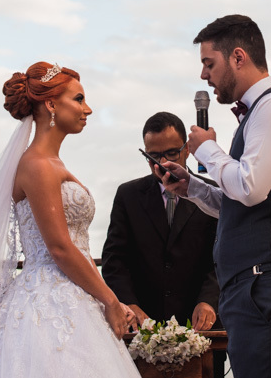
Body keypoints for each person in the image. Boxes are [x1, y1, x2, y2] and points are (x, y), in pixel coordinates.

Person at [0, 62, 141, 378]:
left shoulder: (52, 162)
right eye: (79, 99)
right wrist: (111, 300)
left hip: (75, 295)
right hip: (47, 304)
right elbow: (59, 247)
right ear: (51, 104)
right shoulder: (37, 165)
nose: (88, 109)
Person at [159, 15, 271, 378]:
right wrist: (192, 188)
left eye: (208, 63)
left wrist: (206, 150)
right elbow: (244, 203)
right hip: (253, 288)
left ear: (237, 57)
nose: (204, 76)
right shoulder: (258, 114)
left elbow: (249, 188)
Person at [101, 111, 226, 377]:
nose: (163, 163)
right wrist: (129, 304)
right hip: (141, 333)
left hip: (202, 328)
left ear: (188, 150)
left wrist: (208, 302)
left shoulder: (214, 193)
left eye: (172, 153)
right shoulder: (128, 195)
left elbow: (222, 257)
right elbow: (114, 261)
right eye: (154, 157)